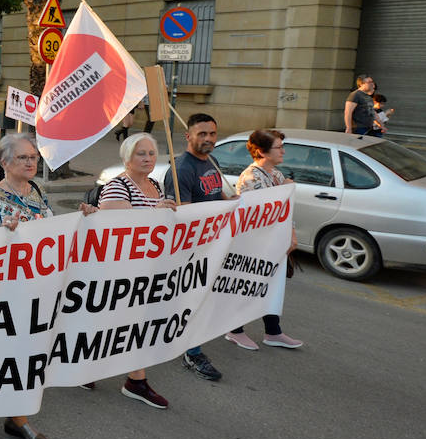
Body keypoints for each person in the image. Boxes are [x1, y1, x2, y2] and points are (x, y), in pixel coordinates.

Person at [0, 133, 96, 439]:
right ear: (4, 161)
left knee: (27, 354)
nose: (30, 162)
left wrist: (82, 218)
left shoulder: (37, 190)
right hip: (3, 292)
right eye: (23, 157)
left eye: (33, 157)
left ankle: (17, 417)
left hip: (37, 290)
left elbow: (53, 232)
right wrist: (4, 235)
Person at [97, 133, 179, 409]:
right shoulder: (117, 186)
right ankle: (136, 381)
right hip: (121, 272)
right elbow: (115, 230)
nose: (148, 158)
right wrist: (157, 213)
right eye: (140, 153)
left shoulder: (155, 184)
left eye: (151, 153)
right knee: (130, 324)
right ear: (127, 158)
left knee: (129, 324)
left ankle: (95, 369)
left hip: (149, 269)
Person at [161, 113, 228, 384]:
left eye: (212, 133)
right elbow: (184, 214)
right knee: (193, 300)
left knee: (196, 300)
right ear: (188, 136)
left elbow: (218, 194)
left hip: (212, 244)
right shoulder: (181, 169)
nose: (208, 139)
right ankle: (193, 353)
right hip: (190, 249)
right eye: (202, 134)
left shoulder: (212, 161)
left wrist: (234, 202)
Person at [226, 129, 303, 351]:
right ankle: (234, 330)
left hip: (273, 243)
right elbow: (260, 215)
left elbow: (285, 210)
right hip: (254, 244)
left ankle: (273, 331)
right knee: (247, 287)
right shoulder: (251, 178)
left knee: (271, 286)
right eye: (278, 147)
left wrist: (291, 234)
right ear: (261, 151)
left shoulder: (275, 174)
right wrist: (285, 189)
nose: (283, 151)